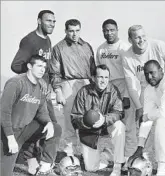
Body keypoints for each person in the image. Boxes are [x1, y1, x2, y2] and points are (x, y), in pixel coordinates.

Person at [122, 25, 165, 159]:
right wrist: (139, 107)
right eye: (137, 37)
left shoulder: (158, 45)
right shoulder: (127, 56)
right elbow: (131, 84)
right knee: (144, 126)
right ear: (130, 40)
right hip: (146, 92)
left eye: (143, 36)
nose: (141, 40)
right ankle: (146, 160)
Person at [10, 10, 57, 174]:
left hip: (44, 93)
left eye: (53, 21)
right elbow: (16, 65)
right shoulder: (30, 40)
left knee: (48, 128)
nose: (51, 24)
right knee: (50, 127)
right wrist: (37, 79)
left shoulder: (48, 40)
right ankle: (42, 165)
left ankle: (34, 163)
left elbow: (45, 68)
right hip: (32, 93)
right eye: (48, 21)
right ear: (39, 21)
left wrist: (48, 82)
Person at [1, 55, 62, 176]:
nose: (42, 70)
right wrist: (10, 137)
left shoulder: (41, 86)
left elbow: (42, 111)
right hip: (7, 134)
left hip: (25, 130)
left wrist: (48, 122)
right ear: (29, 66)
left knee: (55, 128)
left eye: (44, 67)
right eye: (39, 66)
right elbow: (3, 111)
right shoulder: (16, 82)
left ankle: (44, 168)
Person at [49, 19, 96, 154]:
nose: (74, 34)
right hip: (68, 84)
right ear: (66, 31)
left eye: (77, 30)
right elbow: (54, 72)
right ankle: (70, 155)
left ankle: (87, 154)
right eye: (71, 31)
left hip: (87, 84)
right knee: (70, 122)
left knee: (88, 120)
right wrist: (58, 91)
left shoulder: (87, 46)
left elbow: (93, 70)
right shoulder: (58, 48)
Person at [71, 64, 126, 176]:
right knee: (91, 168)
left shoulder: (113, 90)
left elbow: (119, 112)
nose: (103, 81)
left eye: (106, 77)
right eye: (100, 77)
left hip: (106, 125)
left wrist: (104, 120)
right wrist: (88, 122)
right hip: (89, 130)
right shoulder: (83, 92)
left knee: (119, 126)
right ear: (93, 78)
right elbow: (75, 117)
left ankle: (117, 166)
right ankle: (106, 155)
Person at [96, 19, 137, 164]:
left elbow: (130, 73)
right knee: (111, 124)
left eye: (112, 30)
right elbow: (99, 72)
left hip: (124, 85)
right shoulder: (101, 49)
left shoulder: (124, 47)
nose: (109, 33)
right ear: (103, 31)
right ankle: (112, 155)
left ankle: (129, 158)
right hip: (108, 89)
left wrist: (126, 95)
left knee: (128, 124)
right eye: (106, 30)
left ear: (117, 30)